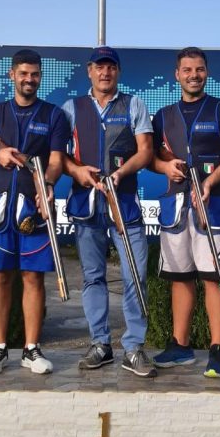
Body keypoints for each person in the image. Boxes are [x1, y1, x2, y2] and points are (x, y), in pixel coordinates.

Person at [0, 48, 69, 376]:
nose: (29, 79)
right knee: (0, 276)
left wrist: (47, 184)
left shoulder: (54, 116)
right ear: (12, 75)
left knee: (33, 277)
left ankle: (32, 349)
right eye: (23, 73)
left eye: (34, 74)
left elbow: (57, 160)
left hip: (33, 207)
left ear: (40, 76)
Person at [62, 46, 156, 378]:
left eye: (111, 67)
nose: (105, 73)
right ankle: (101, 345)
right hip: (87, 207)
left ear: (118, 72)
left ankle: (133, 348)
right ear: (89, 70)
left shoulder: (134, 104)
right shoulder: (72, 107)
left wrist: (121, 172)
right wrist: (76, 172)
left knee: (135, 275)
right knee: (93, 277)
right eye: (99, 67)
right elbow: (59, 156)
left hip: (124, 205)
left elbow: (145, 152)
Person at [150, 47, 220, 378]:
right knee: (180, 277)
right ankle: (180, 346)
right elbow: (151, 158)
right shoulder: (162, 116)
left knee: (213, 277)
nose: (194, 75)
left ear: (207, 73)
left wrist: (209, 182)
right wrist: (165, 166)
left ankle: (218, 350)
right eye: (187, 69)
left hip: (213, 206)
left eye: (199, 69)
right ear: (176, 75)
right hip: (175, 206)